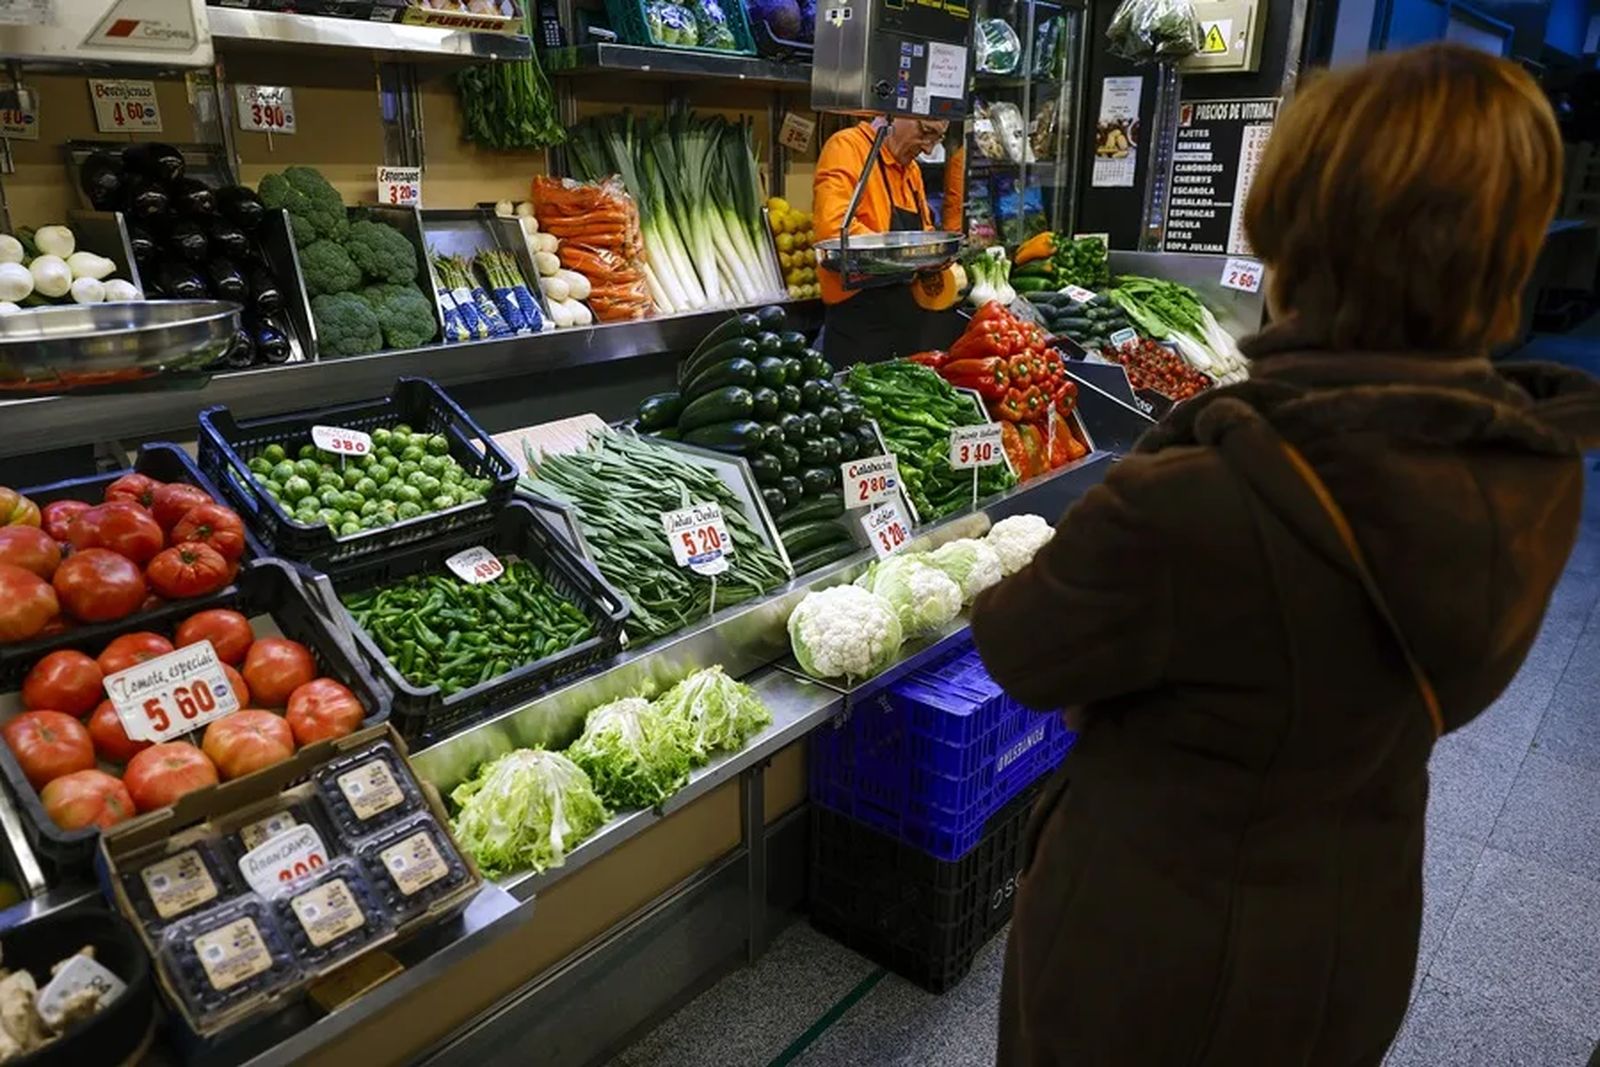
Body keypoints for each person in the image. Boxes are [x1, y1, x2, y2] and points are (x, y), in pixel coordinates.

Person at [971, 43, 1600, 1067]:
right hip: (1352, 924)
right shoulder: (1527, 465)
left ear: (1302, 225)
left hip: (1152, 955)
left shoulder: (1209, 497)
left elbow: (1022, 648)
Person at [813, 116, 950, 363]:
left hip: (908, 324)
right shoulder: (847, 148)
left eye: (938, 138)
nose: (929, 148)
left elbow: (926, 231)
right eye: (926, 132)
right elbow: (833, 232)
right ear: (895, 115)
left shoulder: (912, 170)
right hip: (860, 325)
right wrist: (907, 254)